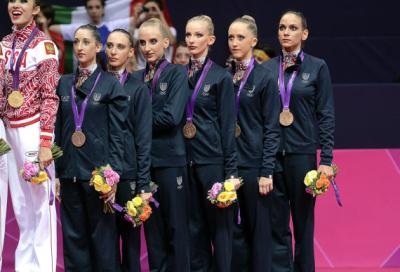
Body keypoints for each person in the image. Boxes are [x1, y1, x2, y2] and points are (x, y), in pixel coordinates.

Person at [262, 10, 335, 272]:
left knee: (303, 225)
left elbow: (325, 115)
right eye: (282, 27)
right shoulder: (266, 69)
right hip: (271, 158)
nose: (285, 32)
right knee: (276, 224)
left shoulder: (317, 67)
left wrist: (326, 160)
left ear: (304, 34)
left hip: (302, 156)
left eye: (292, 28)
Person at [54, 24, 127, 271]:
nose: (80, 47)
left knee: (104, 243)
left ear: (98, 47)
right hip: (69, 173)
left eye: (86, 42)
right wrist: (55, 172)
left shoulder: (110, 84)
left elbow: (118, 135)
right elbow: (57, 131)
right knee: (74, 243)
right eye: (76, 42)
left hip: (99, 177)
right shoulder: (63, 83)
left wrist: (113, 175)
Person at [1, 0, 60, 271]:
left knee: (40, 208)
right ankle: (25, 267)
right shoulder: (3, 44)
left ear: (35, 9)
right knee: (21, 209)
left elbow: (50, 97)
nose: (16, 5)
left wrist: (45, 142)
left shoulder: (44, 46)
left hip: (33, 130)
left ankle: (45, 267)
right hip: (7, 132)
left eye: (24, 1)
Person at [133, 18, 190, 272]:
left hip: (170, 161)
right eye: (142, 42)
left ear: (166, 42)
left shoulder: (177, 73)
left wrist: (138, 124)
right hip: (144, 163)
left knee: (176, 229)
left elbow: (172, 116)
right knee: (152, 232)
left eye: (153, 41)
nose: (147, 47)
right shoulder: (135, 78)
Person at [184, 15, 240, 272]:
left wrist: (230, 173)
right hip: (185, 161)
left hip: (213, 162)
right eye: (188, 35)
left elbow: (228, 127)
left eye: (197, 35)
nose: (192, 40)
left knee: (220, 229)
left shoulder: (220, 77)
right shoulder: (177, 75)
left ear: (211, 39)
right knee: (194, 230)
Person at [228, 15, 280, 272]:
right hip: (228, 167)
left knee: (258, 234)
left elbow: (272, 127)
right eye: (230, 37)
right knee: (232, 236)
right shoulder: (222, 76)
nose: (234, 43)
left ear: (254, 41)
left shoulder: (265, 77)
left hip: (254, 166)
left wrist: (266, 170)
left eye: (240, 37)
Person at [105, 28, 152, 272]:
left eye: (120, 46)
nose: (113, 51)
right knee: (106, 245)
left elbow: (144, 140)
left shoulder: (138, 88)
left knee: (131, 246)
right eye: (110, 45)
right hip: (100, 176)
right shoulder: (95, 85)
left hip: (129, 175)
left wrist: (144, 184)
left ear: (131, 52)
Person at [50, 0, 134, 68]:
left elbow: (135, 21)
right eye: (90, 7)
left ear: (103, 9)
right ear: (86, 10)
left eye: (97, 7)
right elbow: (52, 28)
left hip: (109, 74)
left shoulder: (112, 26)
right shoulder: (80, 29)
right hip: (87, 75)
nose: (94, 11)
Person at [132, 0, 177, 69]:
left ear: (160, 11)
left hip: (164, 73)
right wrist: (136, 17)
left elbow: (171, 41)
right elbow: (129, 45)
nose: (150, 13)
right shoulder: (139, 31)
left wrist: (160, 14)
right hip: (142, 72)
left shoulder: (171, 30)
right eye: (147, 10)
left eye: (154, 9)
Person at [35, 2, 65, 73]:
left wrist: (44, 28)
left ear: (48, 20)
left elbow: (58, 54)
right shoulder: (31, 34)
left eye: (38, 16)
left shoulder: (55, 35)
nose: (35, 19)